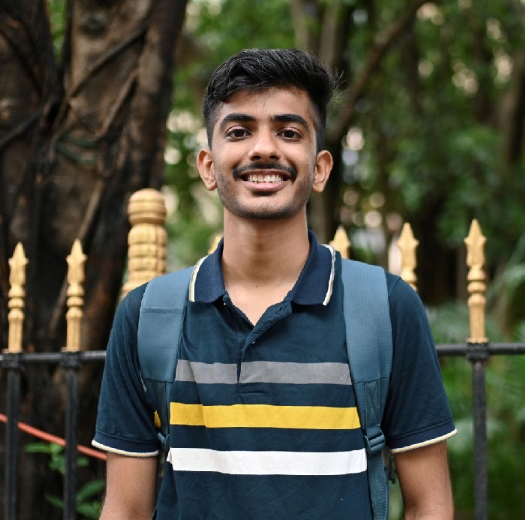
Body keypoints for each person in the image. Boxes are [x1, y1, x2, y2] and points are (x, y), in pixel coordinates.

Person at [93, 48, 456, 519]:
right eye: (239, 131)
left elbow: (430, 504)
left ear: (321, 167)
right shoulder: (148, 316)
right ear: (207, 166)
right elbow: (125, 510)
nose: (264, 149)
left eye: (288, 132)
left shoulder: (384, 308)